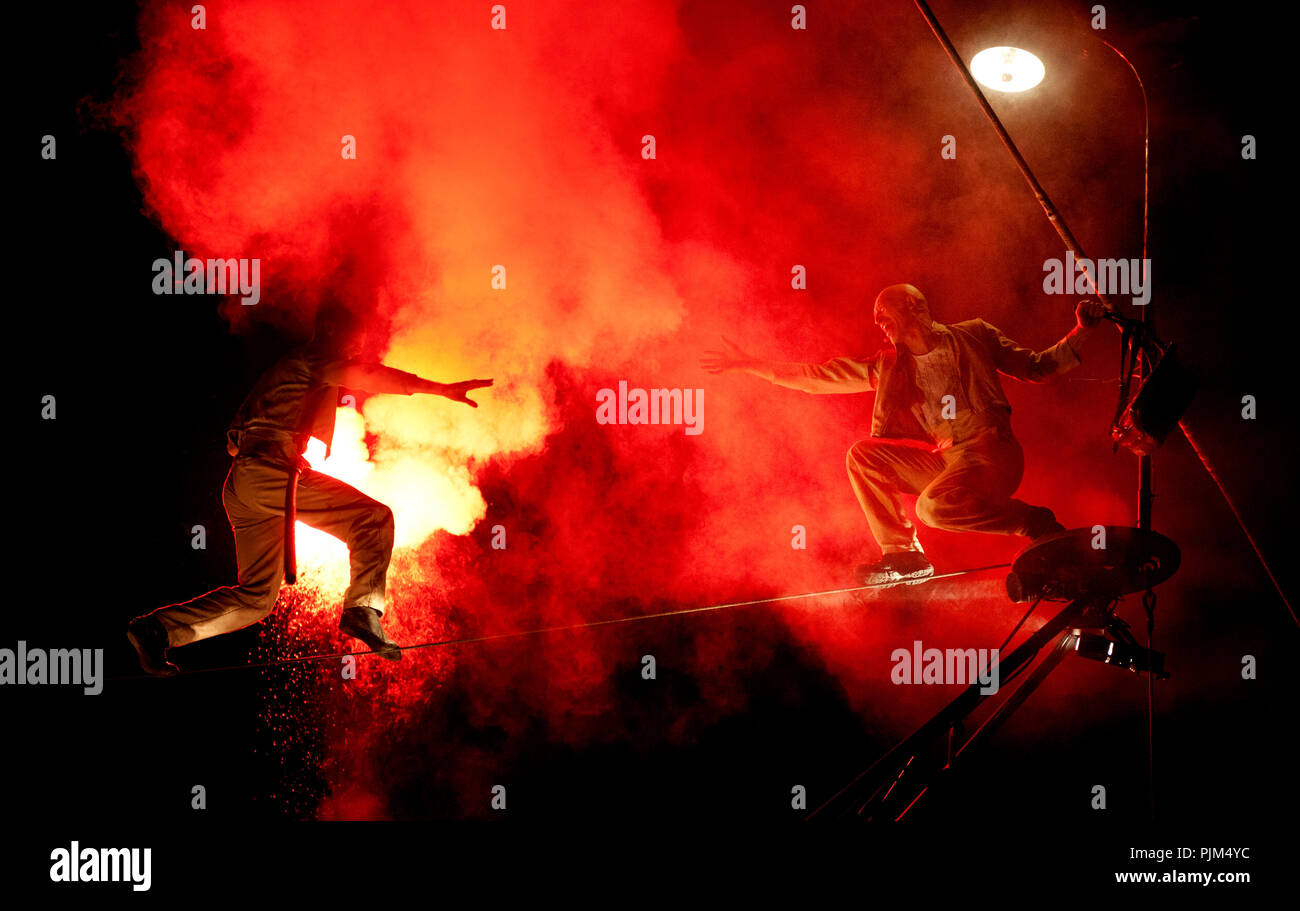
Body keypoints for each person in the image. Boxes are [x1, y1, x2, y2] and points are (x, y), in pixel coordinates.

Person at [127, 303, 493, 676]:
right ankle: (362, 609)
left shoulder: (285, 370)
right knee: (373, 517)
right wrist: (439, 389)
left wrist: (285, 452)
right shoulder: (315, 357)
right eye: (356, 343)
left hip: (244, 484)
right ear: (335, 333)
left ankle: (157, 630)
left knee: (257, 599)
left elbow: (236, 440)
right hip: (267, 475)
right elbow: (368, 376)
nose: (358, 351)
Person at [701, 283, 1108, 585]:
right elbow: (818, 378)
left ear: (914, 307)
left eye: (883, 312)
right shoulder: (888, 366)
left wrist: (1082, 331)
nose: (877, 322)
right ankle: (905, 556)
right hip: (949, 462)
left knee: (931, 510)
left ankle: (1034, 524)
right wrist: (749, 364)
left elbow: (1036, 367)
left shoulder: (973, 335)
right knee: (863, 456)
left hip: (990, 452)